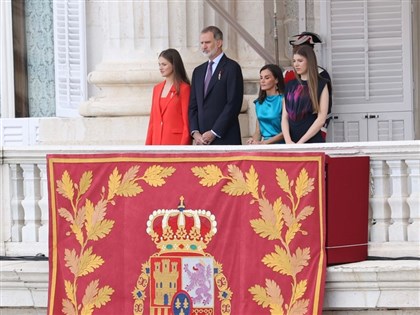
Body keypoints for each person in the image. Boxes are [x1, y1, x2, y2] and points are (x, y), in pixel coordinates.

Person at [188, 26, 244, 145]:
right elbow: (193, 106)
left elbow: (233, 104)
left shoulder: (232, 68)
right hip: (202, 141)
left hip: (225, 138)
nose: (203, 46)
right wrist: (195, 132)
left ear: (219, 43)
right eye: (202, 43)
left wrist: (214, 132)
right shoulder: (198, 71)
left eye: (207, 42)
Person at [284, 31, 332, 140]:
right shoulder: (287, 76)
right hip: (292, 133)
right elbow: (285, 113)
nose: (296, 64)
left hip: (314, 133)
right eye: (294, 60)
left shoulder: (322, 76)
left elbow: (325, 110)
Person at [146, 48, 191, 145]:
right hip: (156, 144)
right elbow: (152, 122)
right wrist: (147, 148)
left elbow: (186, 124)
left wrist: (183, 150)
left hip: (175, 144)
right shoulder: (157, 89)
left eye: (164, 64)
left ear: (174, 65)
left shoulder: (184, 89)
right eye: (159, 64)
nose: (160, 68)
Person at [247, 64, 285, 144]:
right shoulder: (258, 103)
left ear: (276, 80)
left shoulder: (283, 100)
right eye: (261, 78)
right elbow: (258, 131)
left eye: (267, 78)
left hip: (281, 145)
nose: (262, 81)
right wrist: (253, 140)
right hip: (265, 146)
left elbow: (288, 131)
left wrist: (265, 143)